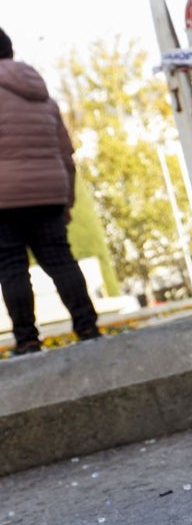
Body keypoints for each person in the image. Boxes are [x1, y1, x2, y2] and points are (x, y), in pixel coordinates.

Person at [0, 27, 100, 355]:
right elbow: (66, 153)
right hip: (49, 190)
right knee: (60, 259)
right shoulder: (41, 93)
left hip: (4, 197)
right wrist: (67, 199)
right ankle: (87, 326)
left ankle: (27, 340)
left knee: (12, 265)